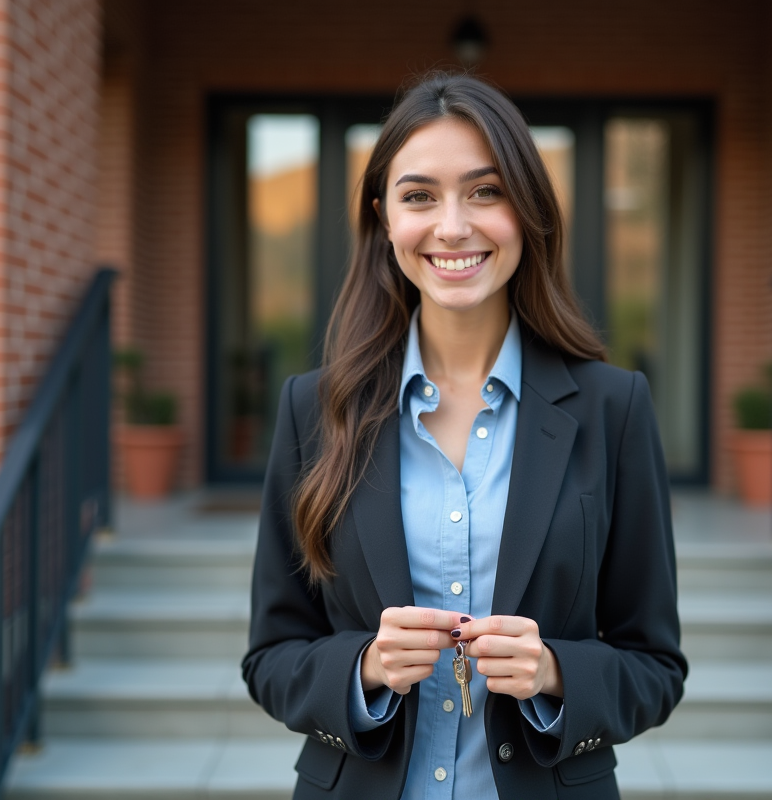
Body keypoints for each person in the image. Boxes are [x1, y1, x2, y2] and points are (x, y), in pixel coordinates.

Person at [242, 72, 687, 800]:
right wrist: (365, 669)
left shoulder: (615, 409)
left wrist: (553, 675)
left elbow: (655, 668)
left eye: (486, 191)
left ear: (529, 212)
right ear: (384, 218)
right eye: (420, 196)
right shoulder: (313, 409)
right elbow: (271, 657)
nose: (453, 226)